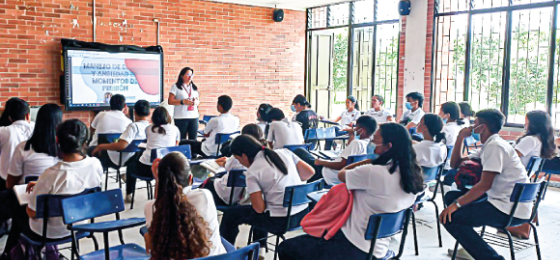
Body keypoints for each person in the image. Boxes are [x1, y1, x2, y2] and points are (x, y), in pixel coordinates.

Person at [277, 123, 423, 260]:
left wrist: (370, 161)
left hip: (354, 247)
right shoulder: (414, 176)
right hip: (379, 248)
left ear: (388, 147)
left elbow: (342, 173)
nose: (371, 143)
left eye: (375, 140)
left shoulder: (374, 172)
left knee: (286, 247)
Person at [440, 109, 531, 260]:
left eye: (475, 123)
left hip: (508, 209)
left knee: (451, 218)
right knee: (452, 196)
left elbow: (484, 185)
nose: (472, 126)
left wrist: (456, 205)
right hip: (504, 202)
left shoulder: (495, 147)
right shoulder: (490, 144)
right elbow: (455, 163)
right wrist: (460, 138)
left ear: (482, 127)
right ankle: (470, 245)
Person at [5, 119, 102, 258]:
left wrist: (39, 188)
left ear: (57, 140)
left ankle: (17, 253)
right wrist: (40, 184)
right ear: (85, 140)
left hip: (48, 232)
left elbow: (32, 213)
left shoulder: (50, 174)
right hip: (80, 224)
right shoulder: (95, 164)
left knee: (20, 212)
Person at [219, 135, 315, 257]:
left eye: (238, 159)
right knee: (266, 207)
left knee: (231, 214)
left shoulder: (252, 172)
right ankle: (261, 251)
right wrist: (288, 184)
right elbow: (309, 172)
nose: (240, 163)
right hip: (302, 214)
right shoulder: (284, 152)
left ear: (244, 155)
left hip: (280, 221)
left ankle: (227, 254)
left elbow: (259, 209)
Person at [0, 104, 62, 254]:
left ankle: (10, 249)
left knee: (7, 198)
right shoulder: (64, 151)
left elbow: (10, 184)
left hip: (30, 207)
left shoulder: (24, 148)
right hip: (62, 212)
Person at [144, 152, 226, 258]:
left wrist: (159, 179)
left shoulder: (150, 207)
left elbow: (161, 201)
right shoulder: (204, 196)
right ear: (190, 178)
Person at [293, 115, 376, 185]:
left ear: (362, 130)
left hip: (328, 174)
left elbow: (341, 165)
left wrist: (321, 162)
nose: (354, 128)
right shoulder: (369, 144)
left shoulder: (357, 143)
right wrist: (351, 134)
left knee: (299, 151)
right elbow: (350, 152)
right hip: (342, 176)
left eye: (356, 126)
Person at [201, 124, 265, 207]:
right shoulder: (265, 156)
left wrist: (225, 162)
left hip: (226, 195)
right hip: (244, 198)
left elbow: (230, 166)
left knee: (207, 185)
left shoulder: (239, 155)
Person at [91, 100, 151, 183]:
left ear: (134, 112)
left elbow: (121, 145)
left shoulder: (133, 126)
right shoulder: (151, 128)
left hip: (119, 159)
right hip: (138, 161)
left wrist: (101, 146)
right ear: (149, 113)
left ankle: (96, 183)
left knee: (96, 153)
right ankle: (129, 192)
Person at [128, 107, 180, 198]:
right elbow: (175, 147)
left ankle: (129, 193)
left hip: (148, 169)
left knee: (130, 164)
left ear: (153, 118)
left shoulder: (148, 128)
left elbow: (151, 141)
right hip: (168, 169)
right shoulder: (175, 129)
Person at [7, 104, 62, 188]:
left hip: (29, 197)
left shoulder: (23, 147)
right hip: (60, 198)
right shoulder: (67, 148)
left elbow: (10, 183)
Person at [0, 98, 34, 191]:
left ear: (10, 117)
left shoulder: (3, 131)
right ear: (27, 115)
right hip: (35, 182)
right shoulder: (38, 128)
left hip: (7, 182)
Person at [88, 94, 132, 159]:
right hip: (119, 156)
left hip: (97, 152)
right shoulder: (129, 122)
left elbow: (92, 129)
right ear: (125, 106)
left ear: (110, 104)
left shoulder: (101, 114)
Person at [168, 67, 200, 141]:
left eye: (191, 75)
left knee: (193, 139)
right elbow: (170, 101)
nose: (190, 77)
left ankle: (193, 153)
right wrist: (182, 102)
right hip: (181, 117)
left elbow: (198, 100)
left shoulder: (194, 87)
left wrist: (196, 102)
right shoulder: (175, 87)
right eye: (188, 74)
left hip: (194, 116)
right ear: (182, 76)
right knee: (181, 139)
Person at [413, 114, 447, 180]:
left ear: (425, 127)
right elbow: (426, 147)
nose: (417, 124)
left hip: (414, 182)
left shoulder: (415, 149)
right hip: (431, 179)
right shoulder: (442, 147)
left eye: (420, 122)